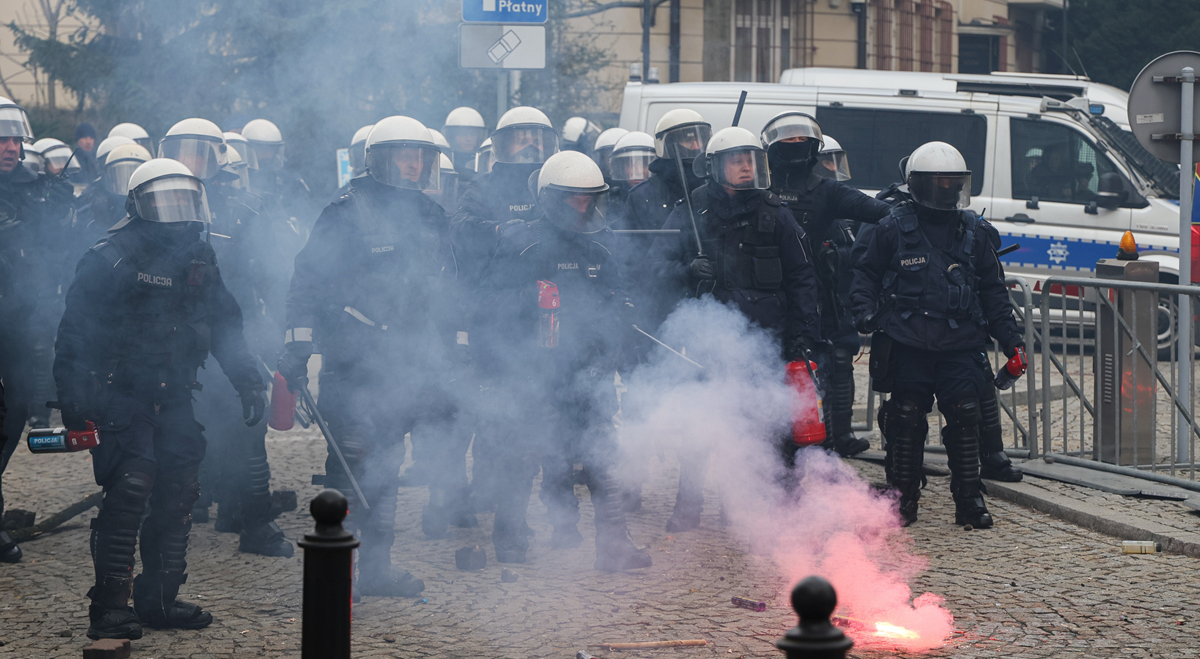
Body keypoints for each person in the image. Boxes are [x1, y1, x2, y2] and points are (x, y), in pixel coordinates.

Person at [53, 158, 266, 639]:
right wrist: (73, 399)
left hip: (173, 397)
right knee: (131, 488)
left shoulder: (200, 256)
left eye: (185, 200)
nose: (177, 213)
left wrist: (247, 378)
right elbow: (73, 336)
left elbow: (226, 324)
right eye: (164, 201)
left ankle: (161, 599)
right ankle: (109, 606)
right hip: (119, 395)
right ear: (136, 206)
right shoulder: (108, 258)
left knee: (180, 488)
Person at [278, 116, 463, 597]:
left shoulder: (430, 213)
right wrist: (297, 348)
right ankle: (337, 571)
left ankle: (377, 569)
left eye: (421, 155)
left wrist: (453, 349)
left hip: (407, 365)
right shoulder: (345, 212)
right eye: (405, 154)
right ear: (380, 159)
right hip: (354, 365)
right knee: (352, 466)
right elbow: (306, 284)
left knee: (386, 469)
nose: (415, 163)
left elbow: (449, 288)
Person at [480, 150, 652, 571]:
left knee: (603, 457)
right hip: (533, 372)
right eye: (575, 198)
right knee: (521, 457)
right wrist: (529, 298)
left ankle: (614, 545)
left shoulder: (602, 243)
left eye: (591, 198)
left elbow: (621, 297)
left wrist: (616, 327)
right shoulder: (520, 243)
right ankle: (510, 539)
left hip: (588, 371)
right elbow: (486, 304)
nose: (585, 207)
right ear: (552, 199)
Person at [648, 126, 820, 532]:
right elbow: (654, 266)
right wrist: (686, 269)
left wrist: (802, 336)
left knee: (753, 428)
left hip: (760, 341)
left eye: (751, 159)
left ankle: (737, 508)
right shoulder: (693, 210)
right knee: (698, 427)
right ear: (715, 166)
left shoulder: (775, 213)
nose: (746, 167)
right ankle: (687, 507)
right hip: (703, 342)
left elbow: (803, 279)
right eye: (736, 160)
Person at [850, 141, 1024, 529]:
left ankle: (969, 499)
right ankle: (903, 498)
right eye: (937, 181)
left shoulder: (975, 232)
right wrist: (863, 311)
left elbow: (994, 292)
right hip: (908, 342)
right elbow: (865, 274)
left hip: (960, 344)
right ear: (916, 184)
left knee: (966, 418)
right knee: (906, 419)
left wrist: (1012, 342)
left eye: (952, 182)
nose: (945, 189)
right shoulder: (892, 227)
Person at [160, 118, 294, 557]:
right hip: (171, 337)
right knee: (172, 433)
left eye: (201, 151)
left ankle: (253, 519)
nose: (192, 160)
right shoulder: (155, 200)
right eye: (184, 150)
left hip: (229, 332)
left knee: (247, 426)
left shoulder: (245, 211)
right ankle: (165, 530)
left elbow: (266, 276)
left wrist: (271, 331)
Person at [761, 114, 892, 459]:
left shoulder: (826, 191)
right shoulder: (757, 189)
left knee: (817, 377)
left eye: (799, 142)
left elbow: (875, 211)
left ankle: (823, 451)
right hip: (764, 300)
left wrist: (918, 206)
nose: (793, 148)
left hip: (812, 299)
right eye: (786, 142)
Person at [451, 107, 558, 514]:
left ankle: (537, 501)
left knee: (541, 410)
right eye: (521, 137)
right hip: (496, 319)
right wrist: (497, 230)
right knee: (494, 409)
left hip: (547, 315)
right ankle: (487, 488)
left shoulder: (552, 184)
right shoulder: (483, 188)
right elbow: (459, 228)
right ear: (501, 145)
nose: (531, 143)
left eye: (538, 136)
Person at [1, 97, 75, 512]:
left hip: (16, 322)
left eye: (15, 139)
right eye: (2, 140)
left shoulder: (32, 187)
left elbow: (56, 252)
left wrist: (63, 213)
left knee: (16, 411)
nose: (11, 147)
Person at [75, 142, 153, 252]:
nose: (127, 183)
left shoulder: (156, 208)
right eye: (121, 174)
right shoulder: (96, 211)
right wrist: (100, 222)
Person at [241, 118, 314, 228]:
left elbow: (306, 214)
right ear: (248, 150)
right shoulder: (239, 178)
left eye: (271, 150)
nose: (267, 155)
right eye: (261, 149)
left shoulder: (288, 181)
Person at [443, 107, 487, 178]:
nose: (469, 139)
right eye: (463, 134)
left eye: (473, 134)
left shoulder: (485, 163)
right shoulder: (446, 162)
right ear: (452, 136)